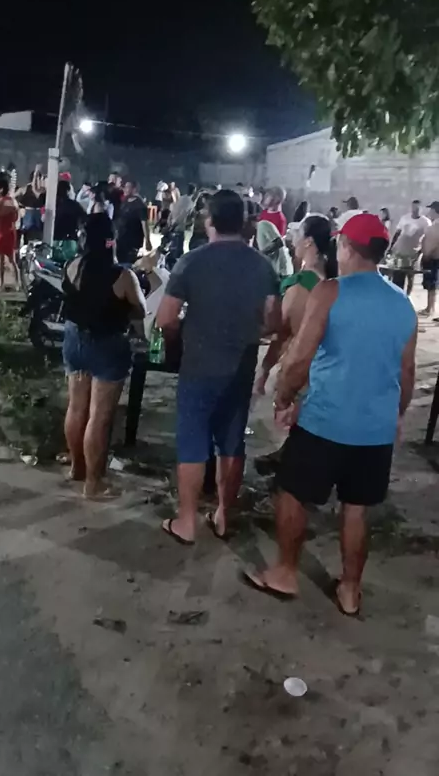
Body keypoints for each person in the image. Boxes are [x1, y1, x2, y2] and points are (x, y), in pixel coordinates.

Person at [243, 214, 417, 616]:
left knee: (292, 492)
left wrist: (284, 398)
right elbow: (406, 373)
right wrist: (396, 414)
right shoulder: (402, 303)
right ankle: (350, 589)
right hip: (374, 429)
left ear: (348, 249)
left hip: (325, 422)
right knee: (357, 508)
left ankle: (285, 572)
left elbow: (299, 357)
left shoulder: (330, 291)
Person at [156, 189, 281, 544]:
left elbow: (166, 318)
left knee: (193, 442)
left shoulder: (191, 262)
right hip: (240, 367)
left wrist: (180, 337)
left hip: (199, 365)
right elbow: (274, 323)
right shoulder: (262, 265)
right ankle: (224, 515)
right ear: (242, 222)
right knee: (231, 442)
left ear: (209, 221)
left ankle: (187, 522)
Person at [62, 212, 147, 499]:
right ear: (111, 241)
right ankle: (93, 484)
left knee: (76, 407)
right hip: (107, 345)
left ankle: (77, 468)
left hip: (74, 340)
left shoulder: (73, 266)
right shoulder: (122, 276)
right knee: (99, 416)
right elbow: (141, 309)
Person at [256, 214, 336, 395]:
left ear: (308, 241)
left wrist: (263, 372)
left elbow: (282, 334)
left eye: (298, 232)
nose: (293, 238)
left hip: (301, 377)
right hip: (327, 372)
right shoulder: (333, 282)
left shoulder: (299, 286)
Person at [390, 200, 430, 296]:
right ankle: (397, 295)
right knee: (398, 275)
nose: (414, 210)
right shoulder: (405, 218)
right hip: (400, 250)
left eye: (417, 208)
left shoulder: (425, 222)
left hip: (413, 252)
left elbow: (427, 237)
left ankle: (407, 296)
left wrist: (422, 251)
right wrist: (392, 246)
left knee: (410, 275)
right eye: (413, 207)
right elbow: (397, 233)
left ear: (421, 209)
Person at [0, 177, 20, 290]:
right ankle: (17, 283)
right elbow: (16, 218)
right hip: (10, 233)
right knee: (12, 260)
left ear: (0, 190)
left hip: (0, 233)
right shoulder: (13, 201)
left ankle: (0, 284)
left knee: (0, 261)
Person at [115, 180, 151, 263]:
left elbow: (144, 223)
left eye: (128, 187)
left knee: (128, 262)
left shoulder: (140, 205)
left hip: (133, 240)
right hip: (121, 238)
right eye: (125, 187)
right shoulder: (124, 201)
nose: (125, 189)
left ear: (134, 189)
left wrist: (147, 241)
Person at [167, 183, 195, 266]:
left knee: (172, 246)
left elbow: (172, 210)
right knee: (177, 249)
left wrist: (170, 222)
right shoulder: (190, 203)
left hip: (172, 223)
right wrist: (174, 225)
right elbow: (182, 215)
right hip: (178, 227)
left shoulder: (181, 198)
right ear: (194, 191)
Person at [53, 179, 85, 253]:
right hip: (70, 240)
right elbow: (84, 218)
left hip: (53, 239)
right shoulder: (74, 205)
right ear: (68, 191)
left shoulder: (52, 204)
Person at [420, 201, 439, 319]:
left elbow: (435, 242)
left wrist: (428, 253)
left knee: (432, 284)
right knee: (431, 284)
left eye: (431, 210)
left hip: (433, 258)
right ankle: (429, 307)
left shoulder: (436, 226)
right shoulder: (433, 224)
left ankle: (430, 308)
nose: (429, 212)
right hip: (431, 257)